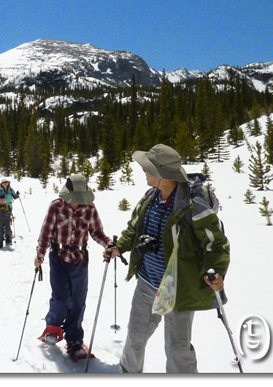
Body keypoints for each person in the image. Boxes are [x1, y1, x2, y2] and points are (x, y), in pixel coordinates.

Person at [104, 144, 230, 373]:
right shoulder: (149, 198)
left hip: (177, 288)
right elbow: (134, 229)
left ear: (163, 174)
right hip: (146, 282)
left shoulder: (192, 207)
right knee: (135, 336)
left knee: (177, 348)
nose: (144, 172)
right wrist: (119, 247)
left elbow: (216, 245)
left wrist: (215, 270)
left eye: (148, 168)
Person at [34, 174, 111, 359]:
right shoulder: (56, 206)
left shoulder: (90, 209)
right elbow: (45, 232)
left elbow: (97, 232)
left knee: (78, 300)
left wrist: (108, 244)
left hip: (79, 258)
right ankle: (52, 327)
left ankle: (74, 338)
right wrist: (40, 254)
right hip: (58, 257)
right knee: (61, 298)